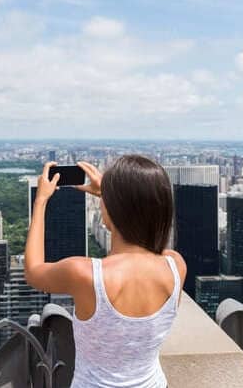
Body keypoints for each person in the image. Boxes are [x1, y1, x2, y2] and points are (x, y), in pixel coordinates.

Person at [25, 155, 187, 388]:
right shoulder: (175, 266)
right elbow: (147, 242)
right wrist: (111, 196)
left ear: (111, 209)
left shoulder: (86, 274)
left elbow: (33, 271)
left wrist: (40, 201)